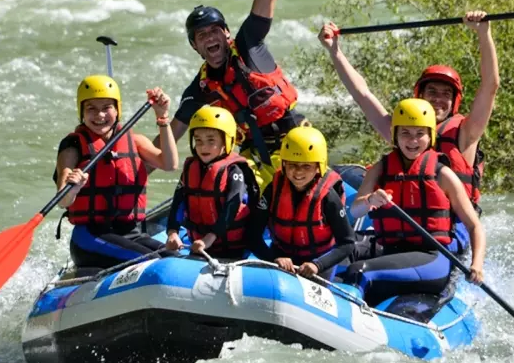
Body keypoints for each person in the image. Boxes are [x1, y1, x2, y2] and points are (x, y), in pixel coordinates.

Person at [160, 0, 305, 190]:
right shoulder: (199, 90)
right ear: (195, 46)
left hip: (296, 143)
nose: (210, 38)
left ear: (227, 34)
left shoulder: (249, 44)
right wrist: (129, 172)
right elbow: (170, 138)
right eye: (202, 35)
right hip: (255, 156)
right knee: (227, 179)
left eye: (215, 31)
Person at [317, 12, 499, 246]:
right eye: (432, 92)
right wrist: (334, 51)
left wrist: (484, 34)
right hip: (408, 220)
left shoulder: (466, 132)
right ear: (420, 96)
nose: (438, 99)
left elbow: (490, 86)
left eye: (446, 94)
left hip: (451, 226)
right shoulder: (403, 129)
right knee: (339, 174)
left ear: (454, 101)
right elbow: (362, 94)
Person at [343, 99, 486, 306]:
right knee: (338, 248)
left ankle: (347, 308)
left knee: (359, 271)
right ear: (395, 135)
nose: (413, 140)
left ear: (430, 136)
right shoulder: (381, 168)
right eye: (405, 133)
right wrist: (370, 200)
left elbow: (474, 226)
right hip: (391, 249)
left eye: (420, 133)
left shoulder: (443, 175)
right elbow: (355, 211)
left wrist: (477, 265)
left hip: (431, 258)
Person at [56, 75, 178, 269]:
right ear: (81, 112)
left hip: (132, 233)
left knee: (175, 258)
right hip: (90, 238)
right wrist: (73, 188)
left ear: (117, 110)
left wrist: (162, 118)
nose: (100, 115)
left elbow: (170, 164)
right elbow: (63, 200)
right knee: (155, 264)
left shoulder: (134, 140)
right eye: (91, 108)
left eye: (107, 107)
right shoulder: (73, 146)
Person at [247, 127, 355, 279]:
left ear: (318, 167)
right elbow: (252, 235)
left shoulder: (328, 197)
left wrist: (317, 265)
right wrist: (273, 258)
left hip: (318, 263)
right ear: (284, 164)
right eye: (292, 165)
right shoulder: (274, 189)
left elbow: (347, 243)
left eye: (306, 166)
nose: (298, 172)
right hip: (280, 259)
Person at [164, 105, 260, 260]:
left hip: (232, 249)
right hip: (200, 246)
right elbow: (178, 202)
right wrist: (172, 231)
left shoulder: (235, 171)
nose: (203, 147)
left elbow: (232, 207)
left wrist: (210, 237)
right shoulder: (190, 168)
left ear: (226, 141)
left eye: (211, 141)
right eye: (198, 140)